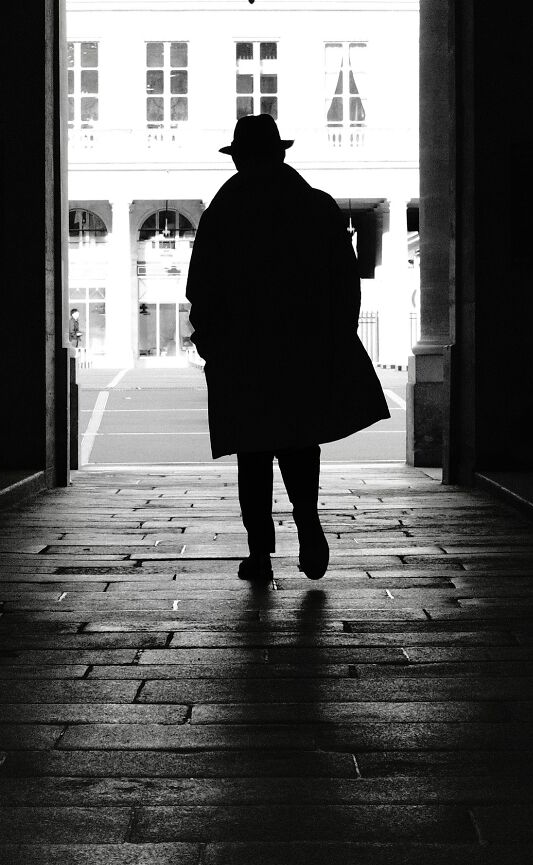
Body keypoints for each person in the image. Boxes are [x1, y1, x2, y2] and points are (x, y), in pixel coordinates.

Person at [186, 114, 390, 582]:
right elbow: (345, 281)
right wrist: (337, 336)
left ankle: (260, 554)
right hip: (304, 349)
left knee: (253, 454)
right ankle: (308, 521)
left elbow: (202, 287)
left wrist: (210, 342)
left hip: (244, 354)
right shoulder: (316, 206)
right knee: (299, 442)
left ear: (239, 158)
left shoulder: (224, 211)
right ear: (280, 154)